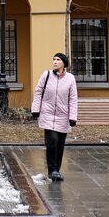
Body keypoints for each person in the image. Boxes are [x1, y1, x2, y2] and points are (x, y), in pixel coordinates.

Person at [31, 52, 78, 181]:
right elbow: (38, 92)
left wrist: (73, 117)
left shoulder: (70, 79)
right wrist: (35, 109)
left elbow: (73, 99)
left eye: (58, 60)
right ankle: (52, 170)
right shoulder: (46, 75)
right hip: (47, 114)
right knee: (52, 140)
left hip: (63, 116)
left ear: (64, 63)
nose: (55, 62)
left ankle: (57, 169)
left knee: (60, 144)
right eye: (54, 59)